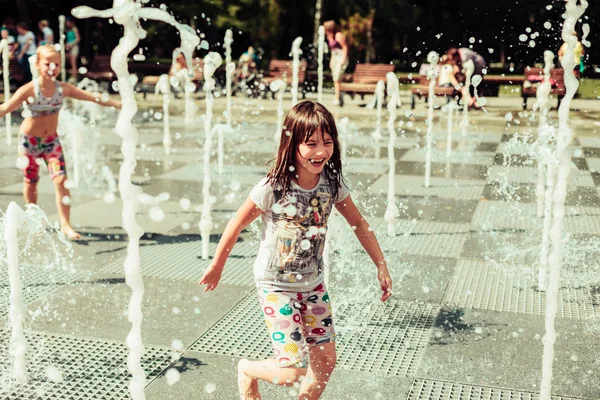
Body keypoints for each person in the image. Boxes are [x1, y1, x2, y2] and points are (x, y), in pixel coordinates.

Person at [199, 100, 393, 400]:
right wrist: (217, 265)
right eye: (311, 144)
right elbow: (236, 223)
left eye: (327, 143)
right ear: (292, 144)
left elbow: (359, 223)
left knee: (326, 361)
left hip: (313, 284)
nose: (320, 152)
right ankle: (248, 369)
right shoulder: (274, 186)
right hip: (276, 285)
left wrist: (380, 263)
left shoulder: (332, 182)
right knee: (290, 371)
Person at [0, 45, 121, 239]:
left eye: (57, 64)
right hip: (29, 143)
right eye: (48, 63)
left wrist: (118, 104)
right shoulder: (29, 89)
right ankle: (34, 221)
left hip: (51, 143)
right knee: (31, 182)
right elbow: (5, 108)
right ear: (38, 65)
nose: (52, 68)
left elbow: (92, 97)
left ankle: (65, 224)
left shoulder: (62, 89)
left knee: (61, 180)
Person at [323, 21, 348, 106]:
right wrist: (331, 60)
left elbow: (345, 47)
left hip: (341, 57)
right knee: (335, 78)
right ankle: (340, 94)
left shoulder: (338, 35)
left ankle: (337, 98)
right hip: (335, 58)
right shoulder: (329, 36)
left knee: (337, 78)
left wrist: (343, 59)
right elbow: (333, 50)